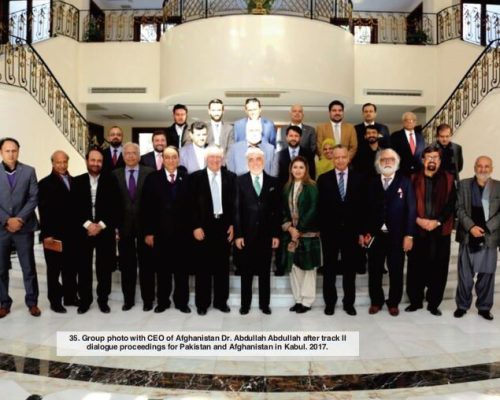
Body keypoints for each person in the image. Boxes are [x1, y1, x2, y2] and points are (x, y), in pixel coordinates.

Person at [362, 148, 416, 316]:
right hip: (375, 236)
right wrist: (365, 232)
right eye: (384, 159)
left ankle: (393, 302)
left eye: (391, 159)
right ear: (379, 163)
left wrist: (409, 235)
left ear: (396, 163)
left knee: (396, 270)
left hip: (397, 236)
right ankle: (376, 301)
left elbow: (411, 210)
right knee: (375, 270)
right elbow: (364, 210)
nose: (387, 162)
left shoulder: (405, 182)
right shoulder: (371, 183)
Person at [406, 145, 456, 316]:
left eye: (436, 157)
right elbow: (408, 204)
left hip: (440, 230)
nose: (432, 160)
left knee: (439, 268)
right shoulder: (412, 179)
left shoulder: (449, 179)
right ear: (423, 160)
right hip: (418, 229)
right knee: (415, 266)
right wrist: (418, 220)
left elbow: (451, 204)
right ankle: (415, 301)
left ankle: (434, 304)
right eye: (429, 157)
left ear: (440, 161)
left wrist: (438, 221)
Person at [142, 146, 191, 313]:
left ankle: (181, 302)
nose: (171, 160)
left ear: (178, 159)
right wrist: (148, 232)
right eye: (167, 157)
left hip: (182, 234)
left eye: (174, 157)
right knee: (163, 271)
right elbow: (146, 208)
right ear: (162, 159)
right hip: (160, 234)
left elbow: (193, 207)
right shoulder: (152, 178)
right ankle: (163, 301)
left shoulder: (186, 178)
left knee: (181, 271)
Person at [318, 145, 364, 316]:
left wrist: (361, 232)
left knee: (349, 269)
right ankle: (330, 303)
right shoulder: (323, 179)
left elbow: (363, 208)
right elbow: (321, 208)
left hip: (351, 232)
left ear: (348, 158)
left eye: (343, 157)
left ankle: (348, 303)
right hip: (330, 232)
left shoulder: (359, 179)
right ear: (332, 159)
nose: (340, 160)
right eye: (336, 157)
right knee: (329, 268)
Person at [71, 147, 119, 314]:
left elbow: (116, 207)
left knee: (104, 268)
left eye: (99, 161)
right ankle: (85, 300)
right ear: (86, 161)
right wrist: (88, 225)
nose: (96, 164)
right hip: (83, 232)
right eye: (93, 160)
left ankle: (103, 299)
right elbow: (73, 209)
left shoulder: (111, 180)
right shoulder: (76, 182)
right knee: (83, 267)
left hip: (104, 231)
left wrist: (100, 225)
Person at [234, 147, 281, 315]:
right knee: (246, 272)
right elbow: (236, 210)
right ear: (247, 162)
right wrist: (238, 235)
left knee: (264, 272)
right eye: (251, 159)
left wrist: (276, 234)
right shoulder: (239, 181)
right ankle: (245, 304)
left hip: (266, 235)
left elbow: (277, 211)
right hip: (246, 235)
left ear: (264, 161)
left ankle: (264, 304)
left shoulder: (273, 182)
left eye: (258, 159)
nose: (255, 162)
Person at [190, 146, 236, 315]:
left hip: (223, 226)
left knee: (222, 267)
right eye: (212, 157)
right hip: (203, 227)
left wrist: (233, 225)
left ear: (222, 159)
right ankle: (202, 304)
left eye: (218, 157)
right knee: (203, 268)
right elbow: (191, 206)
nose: (215, 160)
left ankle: (220, 302)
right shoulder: (195, 178)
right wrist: (195, 226)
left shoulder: (231, 178)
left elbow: (234, 205)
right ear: (206, 159)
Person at [454, 156, 500, 320]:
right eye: (480, 166)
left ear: (491, 168)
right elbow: (458, 209)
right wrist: (471, 227)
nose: (483, 169)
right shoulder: (464, 185)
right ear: (474, 167)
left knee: (487, 275)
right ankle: (462, 305)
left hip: (489, 237)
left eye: (486, 166)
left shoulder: (498, 186)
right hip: (468, 236)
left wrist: (487, 228)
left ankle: (484, 307)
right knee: (465, 275)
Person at [0, 138, 40, 318]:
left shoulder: (29, 171)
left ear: (18, 151)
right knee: (1, 269)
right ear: (1, 152)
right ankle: (4, 303)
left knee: (28, 267)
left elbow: (33, 198)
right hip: (1, 228)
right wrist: (7, 220)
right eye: (7, 151)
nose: (11, 154)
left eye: (14, 150)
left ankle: (32, 303)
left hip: (24, 228)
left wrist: (20, 219)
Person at [112, 143, 154, 311]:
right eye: (127, 153)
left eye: (134, 153)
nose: (130, 156)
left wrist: (152, 229)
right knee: (127, 266)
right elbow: (112, 204)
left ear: (139, 155)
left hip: (145, 229)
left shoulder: (149, 173)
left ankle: (148, 300)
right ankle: (128, 300)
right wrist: (114, 227)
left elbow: (154, 204)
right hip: (124, 229)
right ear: (123, 156)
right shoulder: (114, 175)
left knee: (147, 266)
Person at [38, 150, 78, 313]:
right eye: (58, 162)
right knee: (54, 270)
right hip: (53, 235)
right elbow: (44, 211)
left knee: (70, 267)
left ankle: (70, 297)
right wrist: (47, 234)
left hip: (72, 234)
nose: (62, 165)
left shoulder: (75, 182)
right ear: (52, 163)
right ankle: (55, 301)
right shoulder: (45, 183)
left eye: (64, 162)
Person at [282, 156, 321, 313]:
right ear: (291, 169)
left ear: (306, 170)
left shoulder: (312, 186)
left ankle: (307, 301)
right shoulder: (287, 187)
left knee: (309, 270)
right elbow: (284, 211)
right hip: (292, 235)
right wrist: (290, 228)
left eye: (301, 167)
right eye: (295, 167)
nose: (298, 170)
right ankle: (298, 300)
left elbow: (314, 209)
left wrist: (299, 228)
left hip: (308, 235)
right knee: (295, 268)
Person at [276, 125, 316, 189]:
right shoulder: (279, 155)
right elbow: (278, 176)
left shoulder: (308, 154)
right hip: (284, 191)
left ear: (300, 138)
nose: (293, 138)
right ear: (286, 137)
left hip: (304, 191)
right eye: (291, 136)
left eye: (296, 136)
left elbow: (312, 174)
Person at [391, 112, 425, 176]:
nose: (409, 122)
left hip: (418, 172)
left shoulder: (420, 137)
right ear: (403, 122)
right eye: (406, 120)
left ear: (415, 122)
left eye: (412, 120)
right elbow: (392, 154)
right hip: (401, 171)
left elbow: (421, 154)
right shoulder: (395, 136)